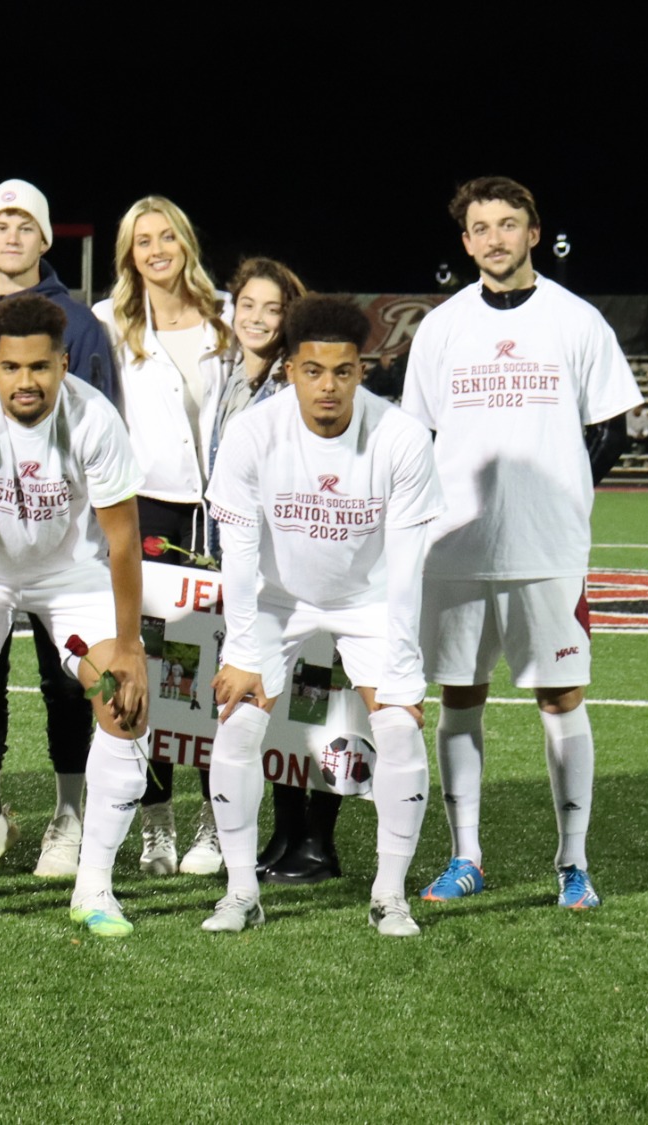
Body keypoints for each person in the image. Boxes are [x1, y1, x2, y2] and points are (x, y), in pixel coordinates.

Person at [402, 176, 642, 911]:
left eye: (508, 224)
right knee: (459, 693)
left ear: (533, 233)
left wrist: (560, 496)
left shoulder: (576, 320)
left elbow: (613, 430)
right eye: (481, 227)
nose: (495, 238)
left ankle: (574, 862)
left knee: (561, 695)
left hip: (547, 547)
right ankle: (465, 855)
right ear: (466, 241)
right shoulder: (441, 327)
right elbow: (418, 436)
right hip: (455, 545)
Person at [0, 293, 151, 937]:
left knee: (121, 698)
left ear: (63, 363)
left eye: (40, 367)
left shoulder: (94, 418)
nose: (26, 381)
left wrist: (129, 646)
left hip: (70, 580)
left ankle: (95, 887)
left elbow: (123, 541)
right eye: (12, 367)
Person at [202, 295, 444, 937]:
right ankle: (240, 892)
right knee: (238, 723)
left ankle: (390, 895)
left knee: (398, 730)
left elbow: (407, 566)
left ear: (362, 370)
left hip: (369, 600)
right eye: (313, 371)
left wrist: (402, 668)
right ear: (290, 370)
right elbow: (238, 553)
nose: (328, 386)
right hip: (277, 599)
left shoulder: (401, 437)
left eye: (342, 371)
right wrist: (242, 654)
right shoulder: (253, 433)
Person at [0, 179, 122, 880]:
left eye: (26, 225)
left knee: (70, 681)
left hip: (61, 538)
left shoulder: (80, 324)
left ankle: (69, 814)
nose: (13, 236)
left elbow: (100, 422)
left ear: (46, 239)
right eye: (1, 224)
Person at [92, 195, 235, 878]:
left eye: (167, 236)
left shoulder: (227, 315)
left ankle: (215, 820)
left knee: (212, 672)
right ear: (129, 253)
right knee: (144, 669)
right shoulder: (108, 322)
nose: (156, 250)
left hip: (221, 513)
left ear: (186, 243)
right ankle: (157, 825)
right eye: (142, 239)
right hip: (144, 512)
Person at [207, 258, 346, 883]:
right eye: (248, 305)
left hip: (301, 564)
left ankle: (319, 840)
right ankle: (287, 833)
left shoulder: (299, 383)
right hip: (251, 566)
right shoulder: (234, 378)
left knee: (319, 702)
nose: (258, 319)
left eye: (273, 308)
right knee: (276, 706)